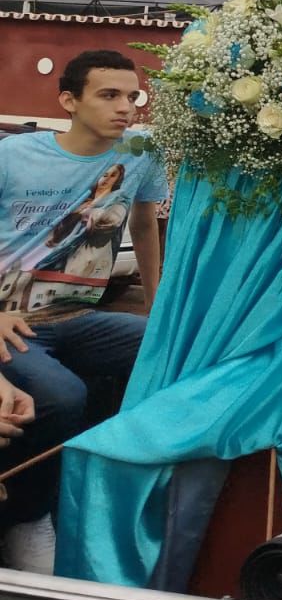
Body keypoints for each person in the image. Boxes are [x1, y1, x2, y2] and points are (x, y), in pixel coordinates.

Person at [0, 50, 166, 573]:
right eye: (108, 95)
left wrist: (159, 308)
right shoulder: (15, 155)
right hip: (11, 318)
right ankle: (25, 516)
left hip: (79, 317)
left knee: (165, 352)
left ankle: (108, 505)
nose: (126, 108)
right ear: (69, 101)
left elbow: (143, 227)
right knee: (62, 396)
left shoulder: (141, 151)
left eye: (132, 96)